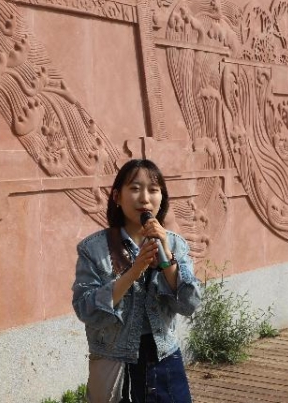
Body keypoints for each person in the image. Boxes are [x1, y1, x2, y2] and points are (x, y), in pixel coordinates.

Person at [72, 158, 201, 403]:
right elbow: (86, 310)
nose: (144, 198)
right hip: (114, 363)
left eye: (153, 190)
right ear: (117, 196)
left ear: (162, 197)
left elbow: (189, 304)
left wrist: (167, 259)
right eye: (134, 188)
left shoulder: (175, 244)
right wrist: (134, 271)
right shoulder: (93, 249)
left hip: (164, 358)